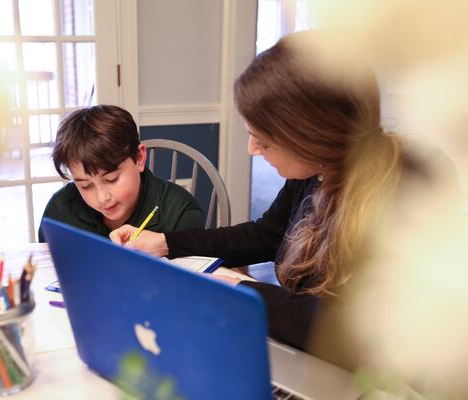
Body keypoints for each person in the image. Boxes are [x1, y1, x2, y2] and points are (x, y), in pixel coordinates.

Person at [110, 30, 462, 351]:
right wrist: (165, 243)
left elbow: (355, 334)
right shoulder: (320, 168)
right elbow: (265, 234)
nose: (251, 149)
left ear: (311, 137)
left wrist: (239, 290)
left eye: (263, 140)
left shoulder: (408, 189)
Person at [38, 105, 204, 242]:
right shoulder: (60, 211)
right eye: (85, 185)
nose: (102, 198)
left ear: (139, 158)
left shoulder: (180, 213)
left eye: (112, 179)